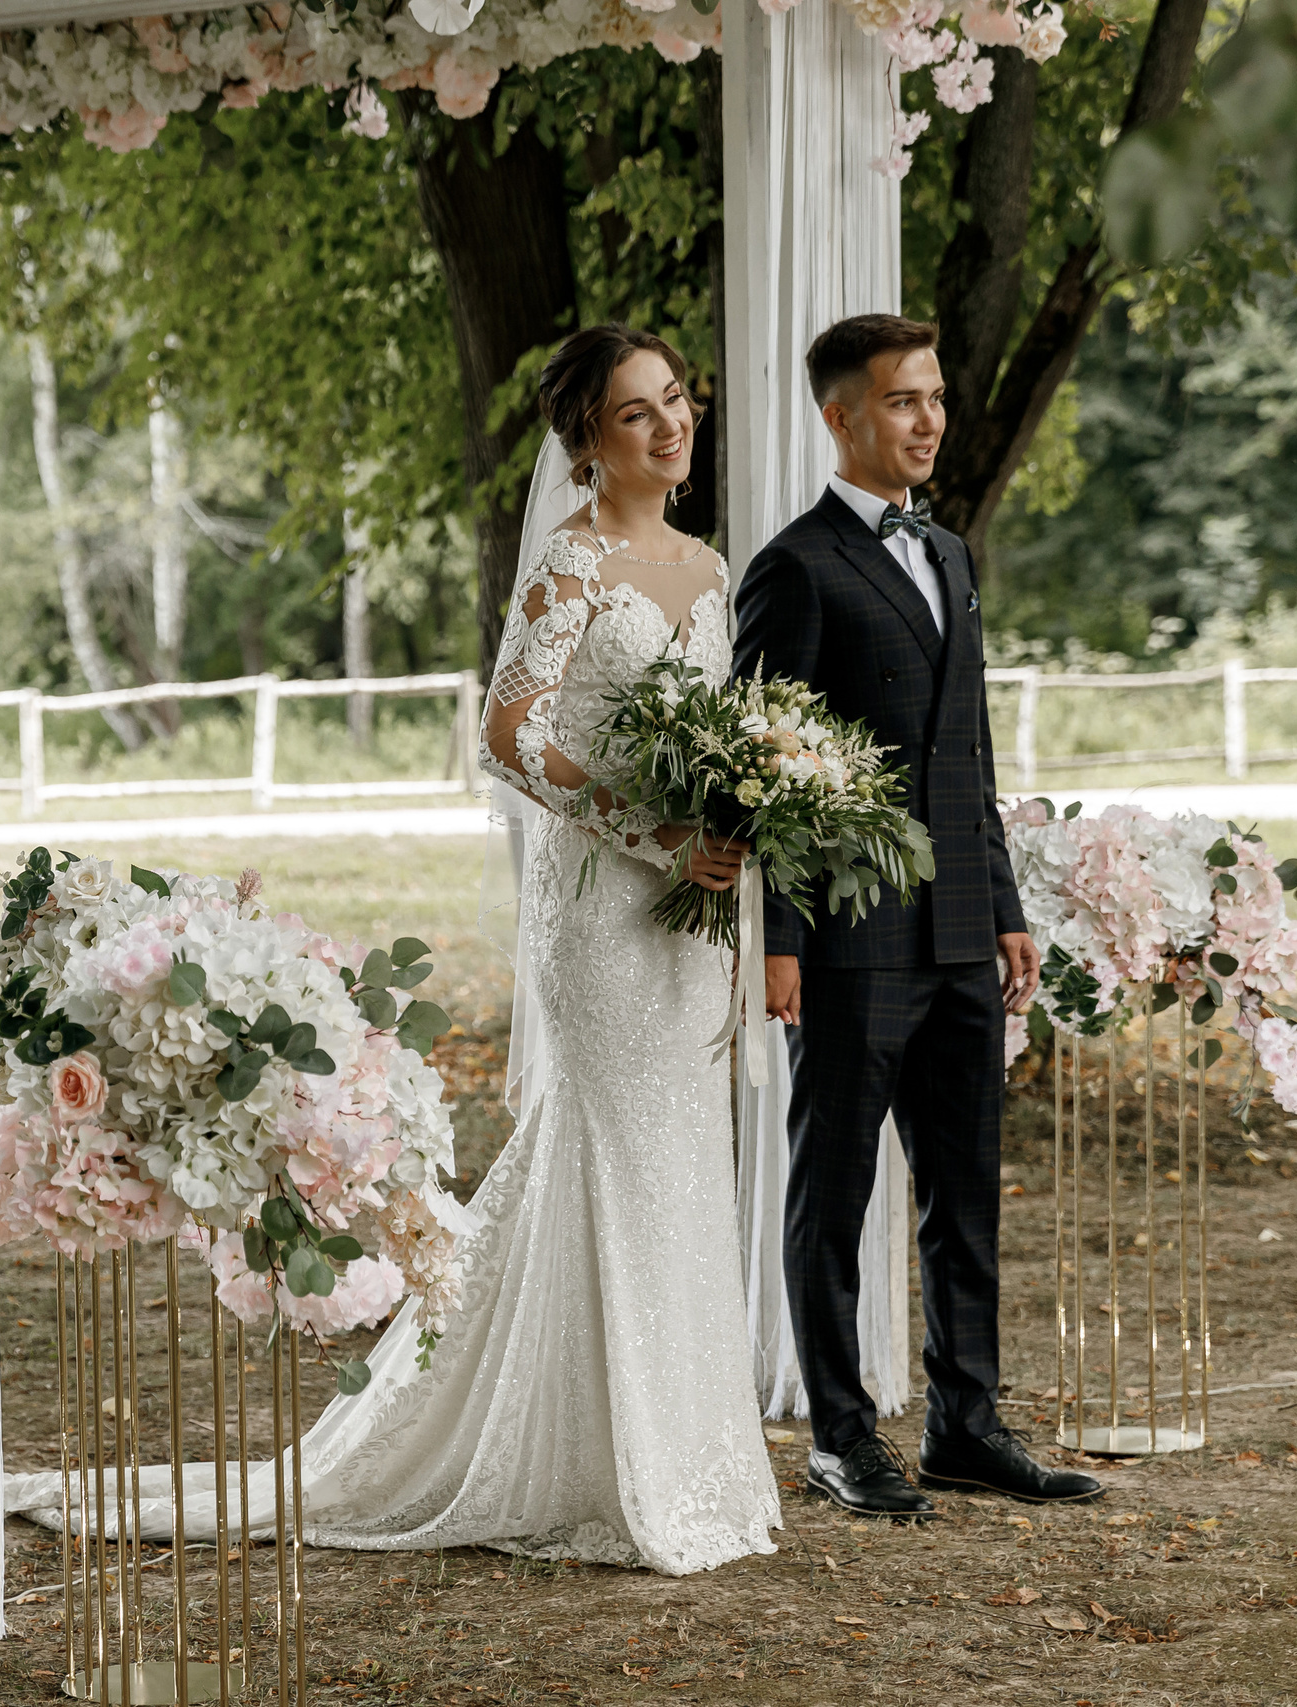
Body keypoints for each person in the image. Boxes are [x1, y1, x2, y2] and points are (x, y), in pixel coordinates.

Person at [280, 323, 781, 1574]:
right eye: (634, 415)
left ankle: (673, 1459)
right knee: (624, 1155)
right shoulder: (570, 565)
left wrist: (724, 828)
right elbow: (506, 738)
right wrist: (650, 831)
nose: (669, 427)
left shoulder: (709, 571)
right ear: (584, 444)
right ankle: (622, 1474)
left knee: (674, 1165)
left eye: (675, 401)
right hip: (603, 915)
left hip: (690, 915)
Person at [731, 313, 1102, 1518]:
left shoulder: (947, 556)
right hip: (846, 944)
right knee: (831, 1196)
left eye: (934, 396)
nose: (930, 418)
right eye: (902, 400)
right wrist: (779, 943)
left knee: (965, 1193)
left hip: (954, 937)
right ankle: (840, 1437)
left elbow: (967, 753)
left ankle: (966, 1425)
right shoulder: (792, 570)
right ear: (842, 417)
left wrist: (1003, 906)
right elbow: (766, 775)